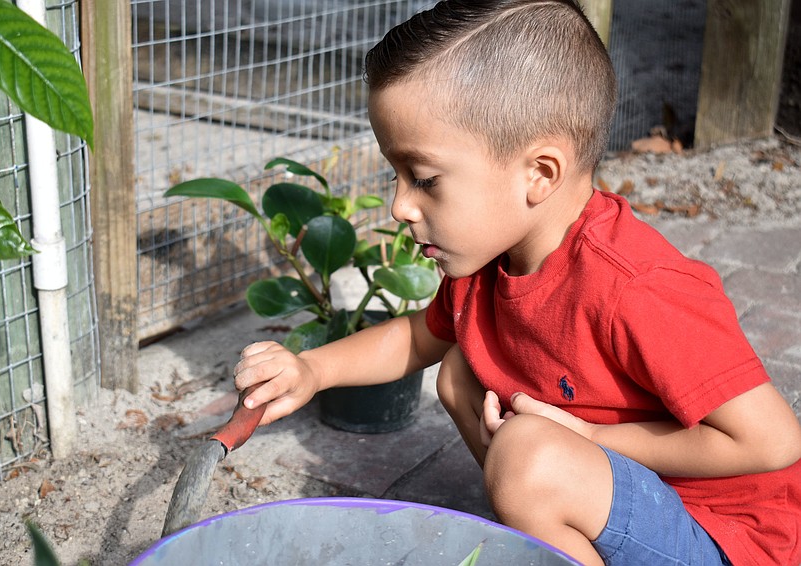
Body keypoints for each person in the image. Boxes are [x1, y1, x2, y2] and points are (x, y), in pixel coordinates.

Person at [233, 1, 801, 564]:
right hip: (616, 499)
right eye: (396, 175)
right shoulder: (487, 261)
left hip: (723, 535)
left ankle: (539, 512)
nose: (400, 204)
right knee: (459, 370)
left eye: (424, 179)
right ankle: (543, 529)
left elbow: (771, 441)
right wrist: (313, 369)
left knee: (527, 455)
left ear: (539, 173)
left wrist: (589, 440)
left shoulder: (635, 286)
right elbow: (416, 339)